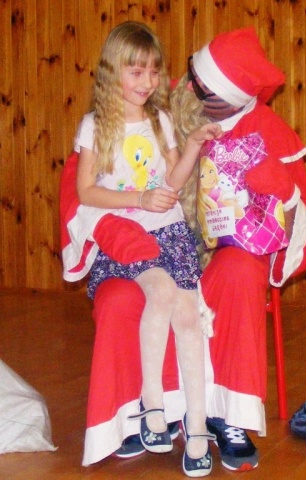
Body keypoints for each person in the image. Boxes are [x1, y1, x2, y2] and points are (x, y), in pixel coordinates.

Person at [59, 26, 306, 472]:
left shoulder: (256, 129)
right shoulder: (135, 106)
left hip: (192, 245)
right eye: (192, 80)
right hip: (140, 234)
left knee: (229, 282)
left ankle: (221, 416)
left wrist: (275, 188)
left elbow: (305, 212)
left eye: (205, 90)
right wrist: (115, 224)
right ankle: (146, 410)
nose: (189, 90)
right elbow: (82, 186)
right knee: (125, 297)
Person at [71, 21, 222, 477]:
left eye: (154, 72)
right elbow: (85, 192)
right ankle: (152, 404)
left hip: (170, 232)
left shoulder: (160, 121)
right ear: (112, 72)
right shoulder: (96, 125)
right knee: (160, 291)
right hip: (126, 237)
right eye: (136, 72)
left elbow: (172, 182)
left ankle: (197, 427)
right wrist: (139, 199)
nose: (147, 82)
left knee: (189, 319)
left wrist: (192, 145)